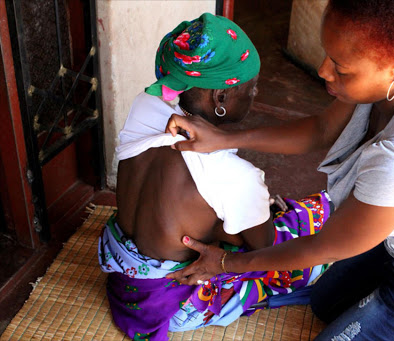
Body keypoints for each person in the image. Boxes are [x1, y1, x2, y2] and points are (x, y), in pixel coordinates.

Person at [165, 1, 394, 340]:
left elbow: (324, 248)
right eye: (328, 54)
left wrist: (224, 263)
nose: (323, 70)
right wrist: (223, 138)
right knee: (324, 303)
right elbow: (320, 130)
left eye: (341, 68)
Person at [98, 13, 332, 341]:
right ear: (220, 97)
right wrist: (233, 230)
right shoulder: (235, 177)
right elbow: (262, 249)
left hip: (128, 284)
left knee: (277, 219)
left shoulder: (146, 104)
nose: (256, 92)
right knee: (309, 251)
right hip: (181, 302)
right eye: (251, 87)